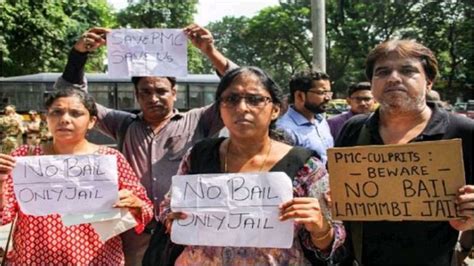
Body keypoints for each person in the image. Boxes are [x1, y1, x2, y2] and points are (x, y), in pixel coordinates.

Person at [54, 24, 232, 265]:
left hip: (185, 229)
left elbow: (236, 89)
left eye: (161, 90)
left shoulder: (199, 119)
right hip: (134, 234)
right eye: (145, 92)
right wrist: (79, 54)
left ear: (174, 93)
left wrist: (211, 51)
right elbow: (72, 97)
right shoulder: (123, 124)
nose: (153, 98)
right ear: (136, 95)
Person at [159, 67, 346, 265]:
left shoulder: (306, 166)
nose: (242, 108)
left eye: (255, 99)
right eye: (231, 99)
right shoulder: (198, 155)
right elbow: (168, 207)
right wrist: (172, 219)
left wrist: (320, 228)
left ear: (275, 110)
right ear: (220, 109)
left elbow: (333, 240)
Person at [336, 39, 474, 265]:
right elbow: (336, 197)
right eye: (382, 72)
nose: (393, 78)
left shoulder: (464, 132)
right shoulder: (354, 129)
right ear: (372, 83)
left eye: (407, 70)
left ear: (429, 82)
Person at [0, 88, 153, 264]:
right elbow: (3, 216)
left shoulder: (109, 159)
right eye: (56, 112)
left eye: (76, 113)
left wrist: (135, 204)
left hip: (98, 260)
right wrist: (1, 183)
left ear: (91, 121)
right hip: (33, 260)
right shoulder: (24, 158)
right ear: (46, 118)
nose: (64, 119)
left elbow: (146, 210)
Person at [276, 70, 334, 164]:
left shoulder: (321, 121)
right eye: (321, 93)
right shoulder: (284, 130)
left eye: (329, 93)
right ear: (299, 96)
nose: (328, 98)